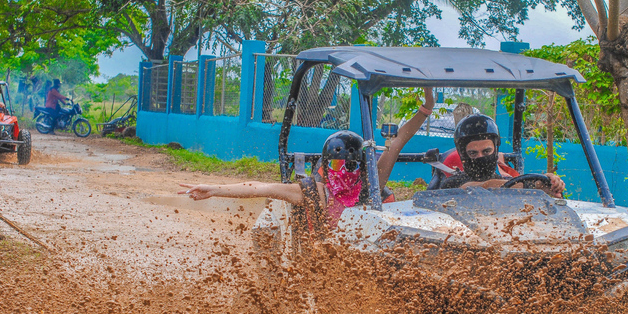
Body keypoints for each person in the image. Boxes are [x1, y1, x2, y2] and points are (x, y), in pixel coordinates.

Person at [180, 88, 437, 229]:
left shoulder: (372, 183)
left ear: (361, 165)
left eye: (352, 164)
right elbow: (261, 188)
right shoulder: (314, 191)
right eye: (337, 164)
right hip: (321, 264)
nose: (346, 171)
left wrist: (427, 106)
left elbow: (400, 139)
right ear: (326, 166)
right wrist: (214, 189)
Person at [439, 114, 566, 198]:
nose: (481, 157)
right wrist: (536, 184)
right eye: (473, 153)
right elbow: (486, 186)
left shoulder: (508, 181)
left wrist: (549, 183)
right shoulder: (451, 184)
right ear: (463, 154)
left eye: (486, 151)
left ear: (495, 150)